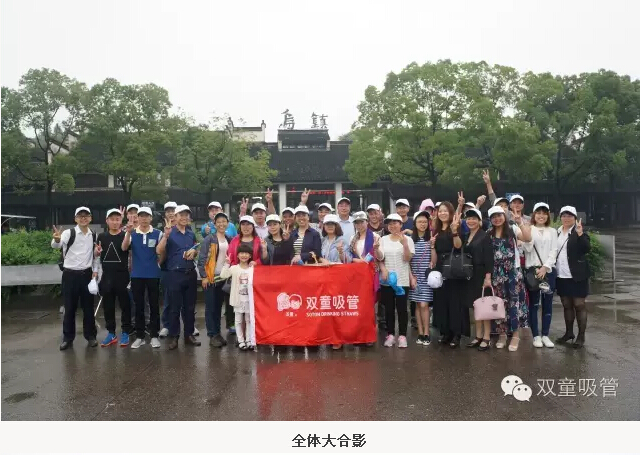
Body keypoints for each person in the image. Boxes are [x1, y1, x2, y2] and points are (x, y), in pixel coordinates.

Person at [52, 206, 99, 351]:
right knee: (70, 308)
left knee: (88, 308)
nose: (83, 218)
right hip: (70, 275)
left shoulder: (93, 235)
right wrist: (56, 239)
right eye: (80, 216)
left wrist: (95, 271)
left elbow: (95, 255)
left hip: (86, 275)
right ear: (75, 219)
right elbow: (57, 245)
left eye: (86, 216)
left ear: (90, 218)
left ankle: (90, 336)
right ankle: (67, 338)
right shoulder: (69, 233)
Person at [156, 205, 201, 350]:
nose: (184, 217)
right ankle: (174, 336)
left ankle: (189, 335)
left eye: (186, 215)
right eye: (181, 215)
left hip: (190, 273)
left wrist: (194, 253)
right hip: (174, 274)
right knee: (174, 307)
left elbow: (195, 249)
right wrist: (166, 236)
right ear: (175, 217)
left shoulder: (190, 234)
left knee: (189, 307)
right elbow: (158, 250)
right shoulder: (169, 232)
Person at [487, 206, 531, 352]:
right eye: (493, 217)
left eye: (499, 215)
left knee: (514, 303)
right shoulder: (489, 233)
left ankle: (515, 335)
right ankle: (502, 334)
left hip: (513, 273)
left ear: (504, 216)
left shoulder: (513, 229)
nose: (497, 219)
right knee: (499, 304)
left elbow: (527, 238)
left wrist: (520, 222)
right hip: (497, 274)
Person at [121, 207, 162, 349]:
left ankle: (154, 335)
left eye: (147, 216)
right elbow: (124, 247)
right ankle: (140, 336)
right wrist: (128, 232)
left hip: (153, 274)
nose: (144, 219)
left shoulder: (158, 233)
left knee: (154, 305)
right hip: (137, 275)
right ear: (137, 218)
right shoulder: (132, 232)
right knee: (138, 306)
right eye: (141, 216)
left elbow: (161, 251)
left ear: (151, 218)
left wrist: (159, 264)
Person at [431, 202, 467, 348]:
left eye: (445, 211)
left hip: (454, 266)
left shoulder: (456, 226)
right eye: (440, 211)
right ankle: (445, 332)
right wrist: (432, 246)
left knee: (455, 301)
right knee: (442, 300)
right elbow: (434, 256)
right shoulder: (436, 230)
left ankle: (457, 333)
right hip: (440, 267)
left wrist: (454, 232)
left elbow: (458, 246)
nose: (442, 213)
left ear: (451, 212)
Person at [555, 206, 590, 349]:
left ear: (575, 218)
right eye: (564, 215)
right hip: (561, 274)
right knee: (566, 304)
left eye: (570, 216)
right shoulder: (557, 232)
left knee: (579, 305)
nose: (566, 218)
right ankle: (569, 333)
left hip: (577, 275)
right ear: (560, 217)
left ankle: (581, 336)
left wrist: (580, 234)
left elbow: (586, 248)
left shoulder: (579, 232)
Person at [95, 208, 132, 347]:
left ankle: (125, 332)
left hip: (122, 275)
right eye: (112, 219)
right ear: (107, 221)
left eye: (117, 219)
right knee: (108, 306)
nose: (115, 222)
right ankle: (111, 333)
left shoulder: (125, 235)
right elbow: (96, 254)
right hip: (107, 276)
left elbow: (124, 248)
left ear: (121, 220)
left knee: (125, 305)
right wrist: (97, 252)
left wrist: (128, 233)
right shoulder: (101, 237)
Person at [523, 202, 558, 349]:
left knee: (547, 304)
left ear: (548, 215)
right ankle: (536, 336)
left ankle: (545, 335)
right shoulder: (529, 229)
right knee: (534, 304)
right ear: (534, 214)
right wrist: (526, 231)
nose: (541, 216)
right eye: (538, 213)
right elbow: (527, 248)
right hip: (533, 271)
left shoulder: (552, 231)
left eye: (544, 213)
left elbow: (554, 251)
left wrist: (545, 267)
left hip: (548, 271)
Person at [379, 213, 415, 348]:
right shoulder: (383, 239)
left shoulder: (408, 240)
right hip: (387, 280)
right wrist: (383, 269)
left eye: (395, 223)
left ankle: (402, 336)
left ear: (401, 224)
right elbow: (380, 258)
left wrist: (405, 245)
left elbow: (407, 259)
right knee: (389, 308)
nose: (392, 226)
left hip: (402, 280)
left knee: (402, 308)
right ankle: (390, 335)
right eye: (390, 223)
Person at [198, 212, 233, 347]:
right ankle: (212, 334)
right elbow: (202, 258)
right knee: (210, 308)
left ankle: (218, 333)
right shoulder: (209, 239)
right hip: (211, 278)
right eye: (219, 222)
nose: (221, 224)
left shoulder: (229, 239)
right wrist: (204, 276)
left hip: (223, 278)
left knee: (218, 307)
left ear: (228, 223)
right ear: (214, 224)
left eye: (224, 221)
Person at [462, 208, 494, 351]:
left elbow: (489, 258)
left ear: (480, 221)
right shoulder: (466, 235)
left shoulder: (484, 236)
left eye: (474, 218)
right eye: (468, 218)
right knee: (475, 306)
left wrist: (488, 277)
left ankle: (486, 337)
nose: (471, 221)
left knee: (484, 307)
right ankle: (478, 335)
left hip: (481, 274)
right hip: (470, 274)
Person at [348, 211, 385, 333]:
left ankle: (369, 331)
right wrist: (356, 260)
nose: (359, 225)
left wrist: (376, 249)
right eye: (357, 223)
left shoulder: (375, 237)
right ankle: (359, 330)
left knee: (370, 303)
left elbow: (381, 257)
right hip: (357, 275)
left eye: (362, 222)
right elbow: (349, 257)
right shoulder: (352, 238)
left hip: (371, 273)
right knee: (359, 302)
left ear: (367, 222)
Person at [220, 244, 256, 351]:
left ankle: (249, 340)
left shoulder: (252, 269)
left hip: (249, 300)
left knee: (249, 320)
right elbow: (223, 275)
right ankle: (241, 341)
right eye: (241, 253)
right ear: (238, 255)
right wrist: (227, 263)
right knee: (238, 321)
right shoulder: (234, 268)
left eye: (246, 253)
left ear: (250, 256)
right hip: (238, 299)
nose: (244, 255)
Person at [409, 210, 433, 345]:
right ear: (415, 223)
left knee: (424, 305)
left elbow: (434, 260)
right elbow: (407, 260)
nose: (422, 224)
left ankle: (427, 333)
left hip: (427, 277)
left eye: (425, 222)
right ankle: (420, 333)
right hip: (414, 276)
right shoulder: (410, 239)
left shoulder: (431, 238)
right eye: (420, 221)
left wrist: (433, 246)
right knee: (418, 305)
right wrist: (411, 276)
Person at [159, 201, 178, 338]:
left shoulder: (186, 229)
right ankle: (166, 325)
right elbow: (159, 251)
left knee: (185, 300)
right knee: (167, 298)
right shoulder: (161, 230)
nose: (171, 213)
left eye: (173, 211)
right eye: (168, 211)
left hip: (182, 269)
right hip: (166, 268)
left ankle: (189, 324)